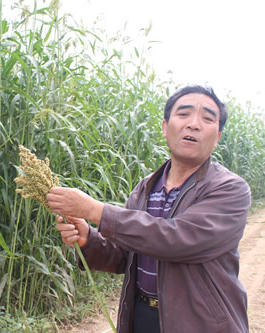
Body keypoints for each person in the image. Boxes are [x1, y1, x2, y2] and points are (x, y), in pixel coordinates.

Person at [47, 85, 251, 333]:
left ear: (218, 137)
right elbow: (125, 257)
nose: (194, 124)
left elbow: (177, 239)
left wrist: (97, 211)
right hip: (142, 316)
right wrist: (88, 238)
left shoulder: (230, 190)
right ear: (165, 128)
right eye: (184, 114)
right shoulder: (145, 188)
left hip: (199, 323)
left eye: (207, 118)